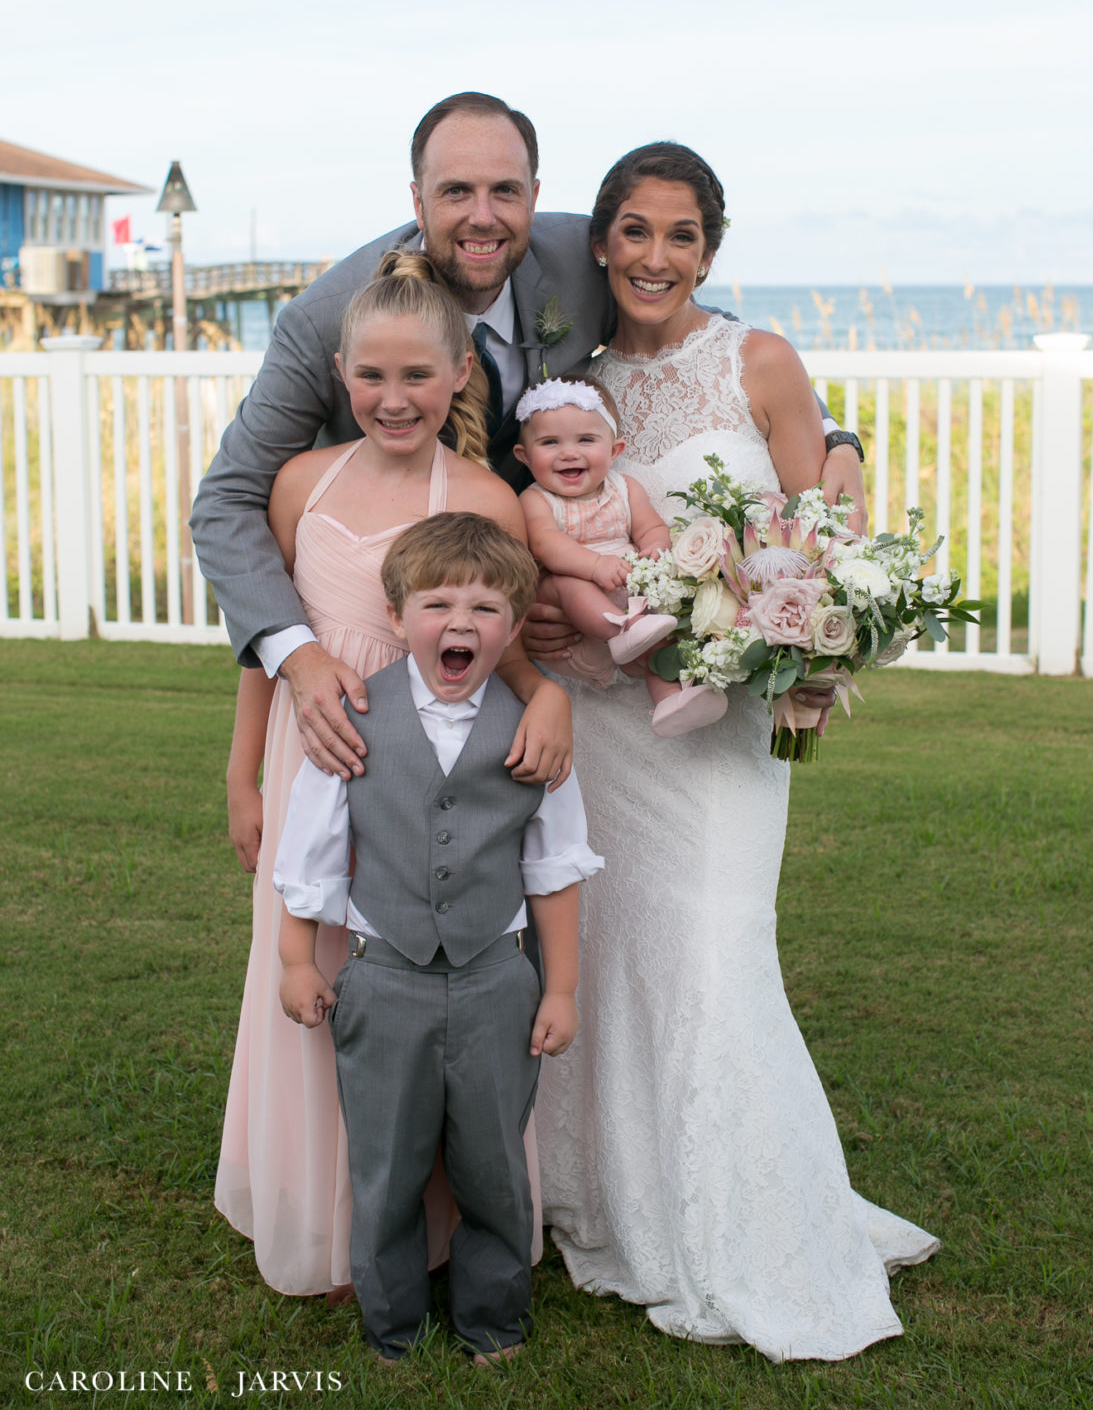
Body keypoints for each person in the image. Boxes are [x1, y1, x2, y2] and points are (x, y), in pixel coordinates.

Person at [536, 144, 939, 1361]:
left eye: (681, 235)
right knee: (610, 951)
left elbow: (823, 520)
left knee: (714, 946)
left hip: (722, 737)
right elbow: (545, 513)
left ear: (709, 249)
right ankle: (617, 1200)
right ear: (601, 239)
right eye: (634, 231)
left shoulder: (757, 360)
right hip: (601, 718)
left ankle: (743, 1229)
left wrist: (809, 637)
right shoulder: (577, 382)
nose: (656, 256)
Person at [190, 92, 866, 784]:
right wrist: (297, 655)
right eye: (457, 191)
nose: (483, 216)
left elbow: (697, 326)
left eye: (504, 191)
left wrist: (838, 435)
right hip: (387, 638)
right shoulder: (328, 320)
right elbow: (227, 502)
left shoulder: (583, 257)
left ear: (534, 196)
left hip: (541, 646)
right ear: (418, 201)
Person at [218, 254, 570, 1298]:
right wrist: (245, 775)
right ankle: (324, 1214)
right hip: (309, 755)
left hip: (428, 772)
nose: (392, 398)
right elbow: (264, 643)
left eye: (417, 376)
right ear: (338, 371)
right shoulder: (297, 484)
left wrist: (547, 696)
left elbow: (504, 651)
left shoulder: (479, 497)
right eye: (370, 376)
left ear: (460, 375)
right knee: (314, 965)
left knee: (422, 982)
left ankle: (441, 1214)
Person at [274, 512, 603, 1362]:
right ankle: (391, 1323)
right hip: (384, 980)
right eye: (439, 603)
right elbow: (310, 849)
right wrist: (295, 957)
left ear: (515, 625)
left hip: (499, 979)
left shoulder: (536, 728)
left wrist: (559, 987)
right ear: (397, 615)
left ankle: (492, 1316)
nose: (461, 623)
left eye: (488, 608)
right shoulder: (354, 714)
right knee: (386, 1160)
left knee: (493, 1160)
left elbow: (554, 868)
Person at [513, 376, 725, 736]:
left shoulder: (625, 489)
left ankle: (671, 701)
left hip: (636, 614)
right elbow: (546, 544)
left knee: (662, 642)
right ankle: (621, 628)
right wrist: (595, 565)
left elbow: (652, 529)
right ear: (524, 456)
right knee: (567, 583)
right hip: (574, 624)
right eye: (550, 442)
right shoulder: (535, 500)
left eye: (586, 440)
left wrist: (655, 549)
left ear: (615, 450)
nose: (569, 452)